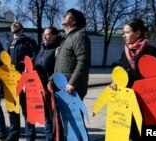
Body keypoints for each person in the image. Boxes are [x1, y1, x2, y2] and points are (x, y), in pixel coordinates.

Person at [109, 18, 156, 141]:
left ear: (138, 33)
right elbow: (124, 75)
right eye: (123, 32)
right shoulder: (124, 52)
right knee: (132, 133)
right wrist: (116, 82)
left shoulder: (151, 50)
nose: (124, 35)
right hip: (129, 99)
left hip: (147, 101)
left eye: (127, 32)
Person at [47, 8, 91, 140]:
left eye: (67, 16)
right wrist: (52, 80)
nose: (63, 17)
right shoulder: (67, 38)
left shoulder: (79, 36)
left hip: (71, 90)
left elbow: (83, 61)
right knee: (69, 125)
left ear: (73, 20)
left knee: (75, 124)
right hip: (63, 89)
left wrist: (72, 83)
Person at [6, 21, 39, 141]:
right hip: (13, 81)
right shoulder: (10, 42)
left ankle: (30, 136)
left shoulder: (29, 41)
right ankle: (13, 135)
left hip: (26, 79)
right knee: (13, 109)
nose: (13, 25)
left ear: (21, 27)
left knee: (27, 109)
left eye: (16, 24)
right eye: (12, 24)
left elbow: (36, 56)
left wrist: (24, 63)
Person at [34, 27, 61, 141]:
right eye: (44, 34)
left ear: (54, 36)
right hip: (39, 89)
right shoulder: (41, 50)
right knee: (46, 118)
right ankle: (49, 138)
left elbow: (59, 70)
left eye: (48, 34)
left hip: (51, 90)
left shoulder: (57, 50)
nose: (45, 36)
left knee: (54, 118)